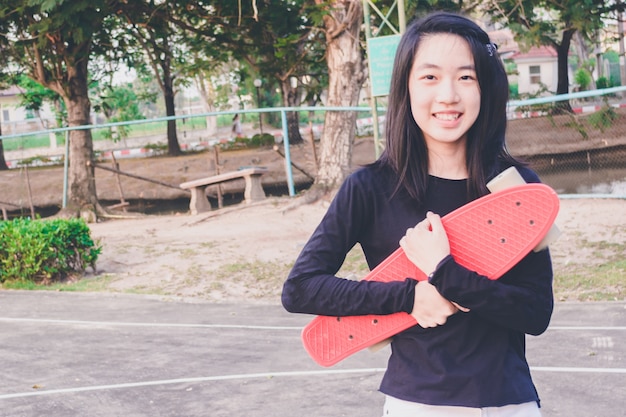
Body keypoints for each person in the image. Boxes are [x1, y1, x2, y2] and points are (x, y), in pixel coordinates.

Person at [282, 11, 553, 417]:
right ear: (406, 88)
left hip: (509, 401)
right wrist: (410, 296)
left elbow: (535, 313)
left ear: (486, 88)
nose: (448, 95)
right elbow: (301, 288)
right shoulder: (371, 188)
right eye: (430, 77)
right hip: (417, 404)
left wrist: (447, 274)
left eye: (466, 77)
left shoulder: (514, 186)